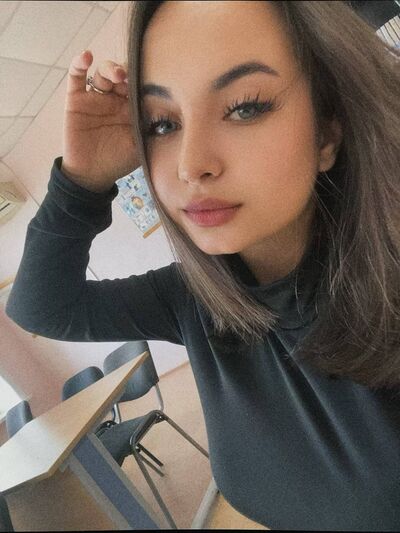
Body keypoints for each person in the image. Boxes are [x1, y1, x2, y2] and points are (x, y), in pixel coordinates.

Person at [5, 1, 400, 529]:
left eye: (245, 107)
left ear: (327, 134)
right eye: (161, 124)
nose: (191, 165)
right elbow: (40, 308)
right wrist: (82, 182)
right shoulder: (196, 299)